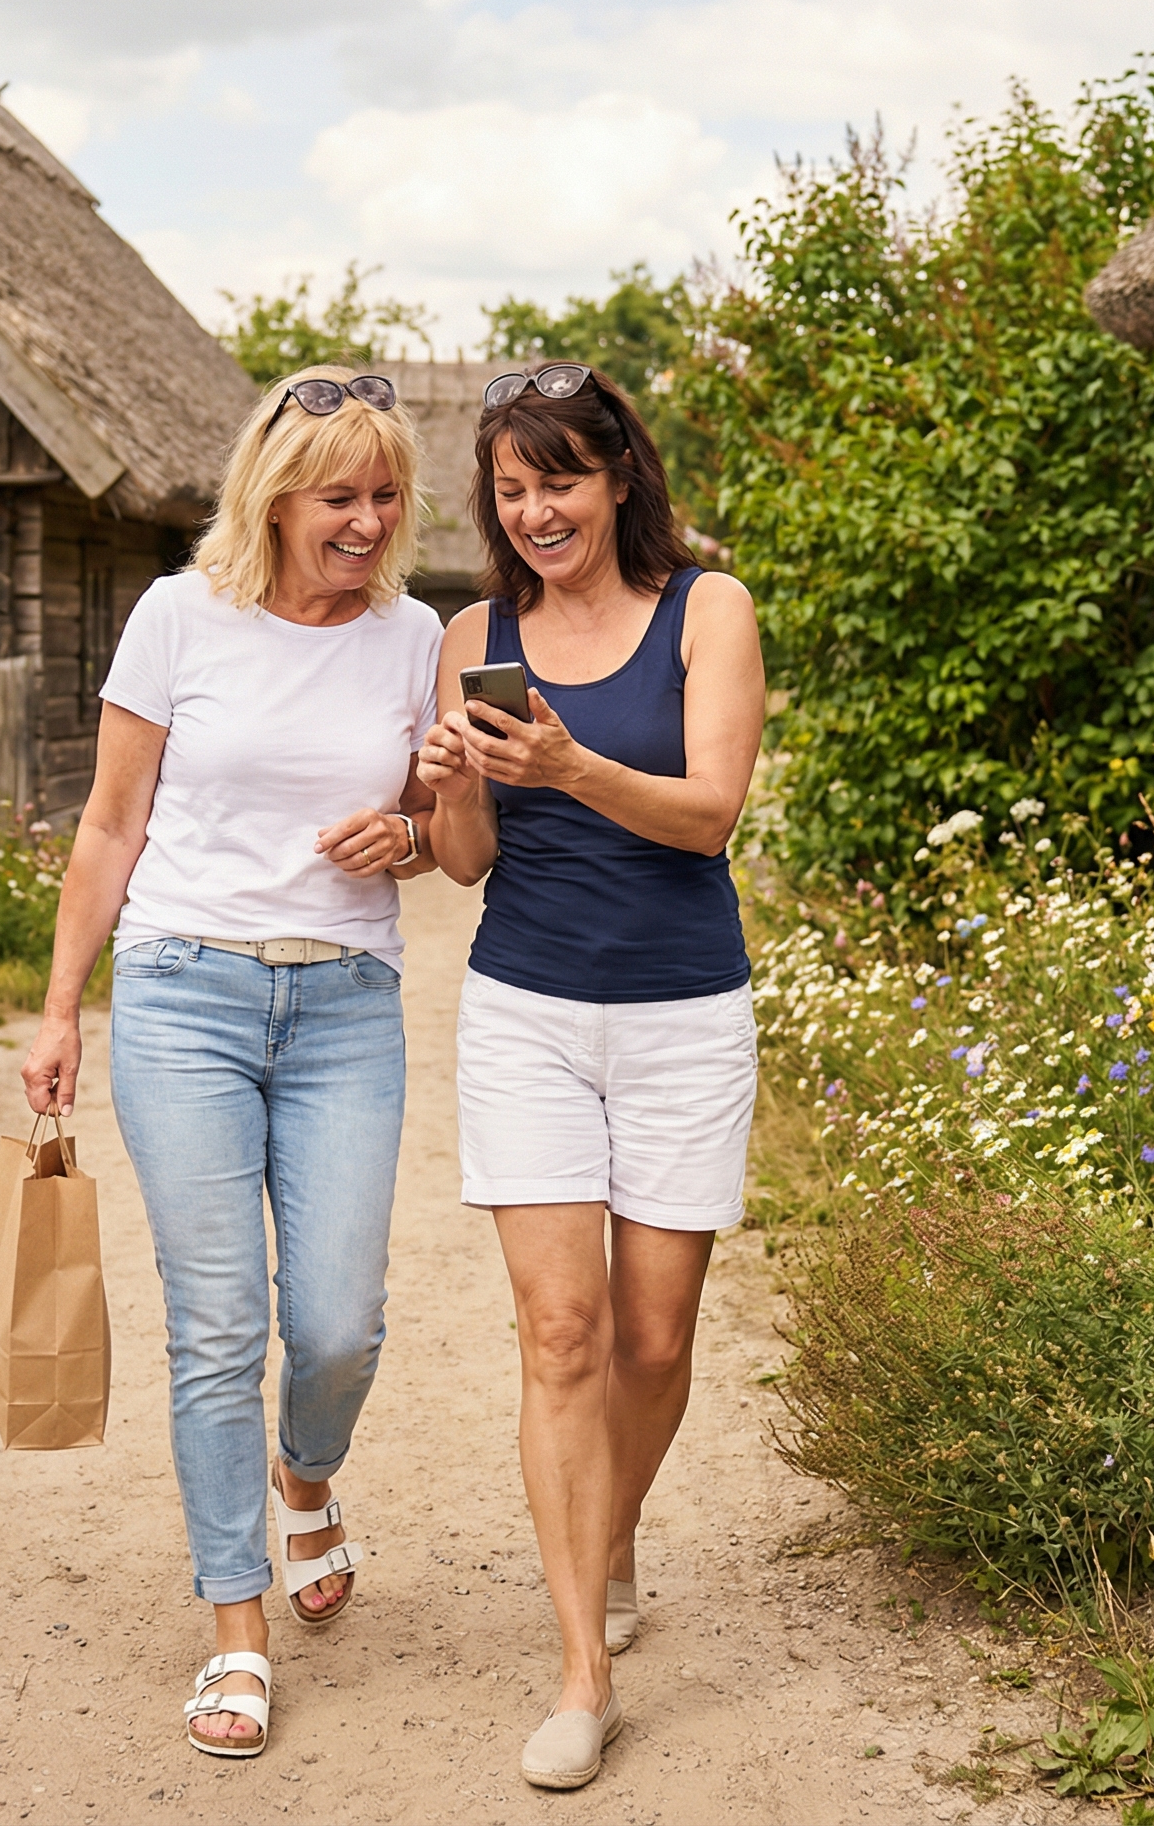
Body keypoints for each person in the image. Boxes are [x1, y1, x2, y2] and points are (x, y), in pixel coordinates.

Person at [19, 366, 443, 1763]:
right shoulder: (176, 616)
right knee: (216, 1327)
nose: (369, 522)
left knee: (338, 1324)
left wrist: (413, 837)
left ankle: (305, 1481)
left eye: (386, 495)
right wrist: (61, 1009)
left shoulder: (413, 638)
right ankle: (236, 1625)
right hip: (182, 995)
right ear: (273, 498)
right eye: (341, 497)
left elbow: (448, 831)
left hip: (345, 1004)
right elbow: (109, 825)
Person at [419, 363, 765, 1792]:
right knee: (562, 1334)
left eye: (559, 479)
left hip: (685, 1017)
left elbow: (710, 815)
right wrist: (455, 782)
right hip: (529, 1014)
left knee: (655, 1342)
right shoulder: (475, 635)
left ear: (620, 477)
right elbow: (462, 864)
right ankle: (583, 1673)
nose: (536, 511)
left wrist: (566, 765)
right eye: (512, 490)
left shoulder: (709, 610)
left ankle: (610, 1534)